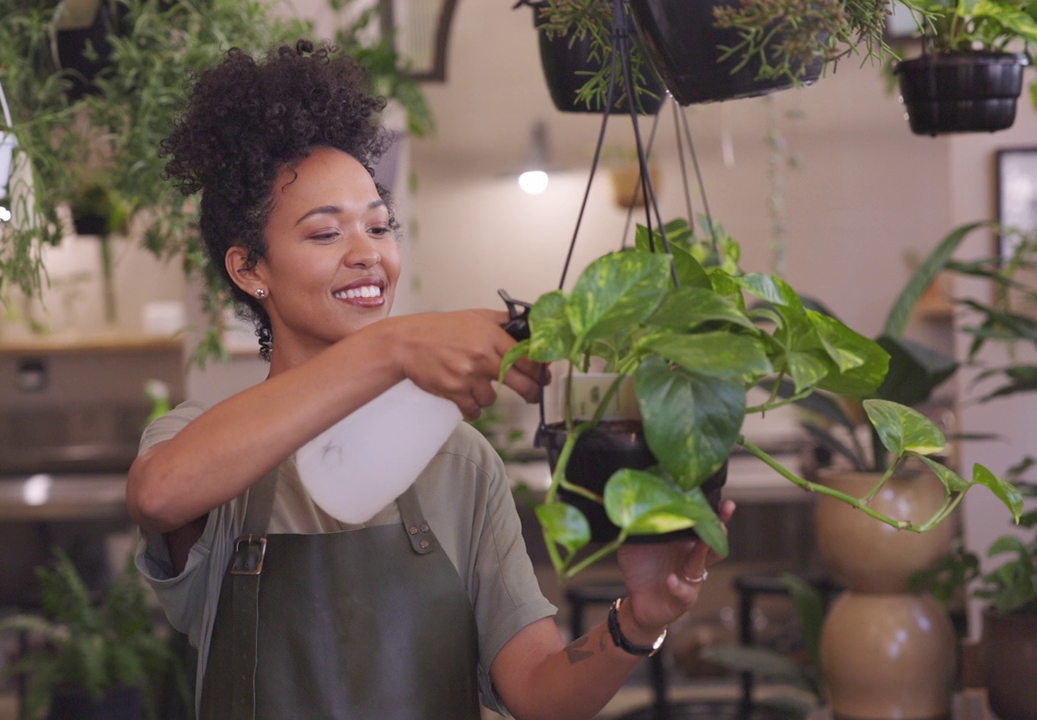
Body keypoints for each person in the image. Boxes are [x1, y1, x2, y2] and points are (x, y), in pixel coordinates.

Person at [128, 40, 733, 720]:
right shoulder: (198, 444)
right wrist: (393, 347)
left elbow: (535, 693)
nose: (368, 255)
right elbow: (160, 494)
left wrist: (639, 621)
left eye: (380, 227)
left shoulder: (458, 461)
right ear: (248, 268)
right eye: (325, 235)